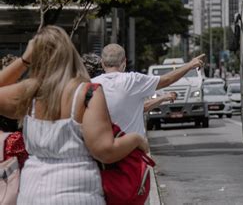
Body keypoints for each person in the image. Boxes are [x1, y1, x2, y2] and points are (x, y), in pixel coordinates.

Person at [0, 26, 148, 204]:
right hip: (79, 192)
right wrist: (136, 139)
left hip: (33, 193)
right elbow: (105, 151)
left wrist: (24, 60)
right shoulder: (87, 93)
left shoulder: (30, 92)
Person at [92, 44, 205, 136]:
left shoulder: (91, 85)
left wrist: (163, 98)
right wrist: (190, 65)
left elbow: (141, 108)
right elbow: (167, 79)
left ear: (102, 63)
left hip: (103, 154)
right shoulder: (133, 80)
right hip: (133, 154)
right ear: (124, 62)